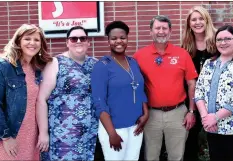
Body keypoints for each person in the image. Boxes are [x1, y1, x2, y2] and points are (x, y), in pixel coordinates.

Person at [0, 24, 52, 160]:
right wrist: (6, 137)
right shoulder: (2, 66)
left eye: (36, 40)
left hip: (29, 134)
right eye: (27, 39)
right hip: (3, 134)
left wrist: (43, 132)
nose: (32, 43)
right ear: (18, 41)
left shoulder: (36, 68)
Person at [133, 15, 197, 161]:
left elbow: (192, 84)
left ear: (170, 31)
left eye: (164, 28)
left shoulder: (182, 54)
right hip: (151, 114)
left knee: (176, 156)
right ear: (151, 31)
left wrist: (191, 111)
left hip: (178, 113)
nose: (161, 31)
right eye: (157, 28)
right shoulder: (139, 56)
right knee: (151, 156)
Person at [36, 26, 98, 160]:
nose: (78, 41)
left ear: (88, 42)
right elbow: (41, 99)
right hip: (62, 134)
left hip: (89, 131)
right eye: (74, 38)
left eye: (83, 38)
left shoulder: (95, 64)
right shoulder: (56, 63)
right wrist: (43, 133)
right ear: (67, 42)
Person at [194, 25, 233, 161]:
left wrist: (215, 117)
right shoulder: (209, 63)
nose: (223, 42)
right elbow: (199, 91)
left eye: (227, 38)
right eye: (219, 39)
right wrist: (206, 118)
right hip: (212, 127)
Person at [91, 21, 148, 160]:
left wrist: (146, 113)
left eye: (122, 37)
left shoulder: (133, 62)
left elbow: (140, 89)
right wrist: (111, 133)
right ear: (108, 41)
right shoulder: (102, 66)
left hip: (135, 126)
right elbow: (99, 101)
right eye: (114, 38)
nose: (119, 41)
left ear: (127, 39)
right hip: (115, 128)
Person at [181, 6, 216, 160]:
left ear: (207, 20)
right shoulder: (185, 47)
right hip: (192, 101)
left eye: (201, 18)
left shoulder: (218, 42)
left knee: (217, 142)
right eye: (193, 19)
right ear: (189, 24)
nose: (197, 22)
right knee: (190, 142)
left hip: (215, 101)